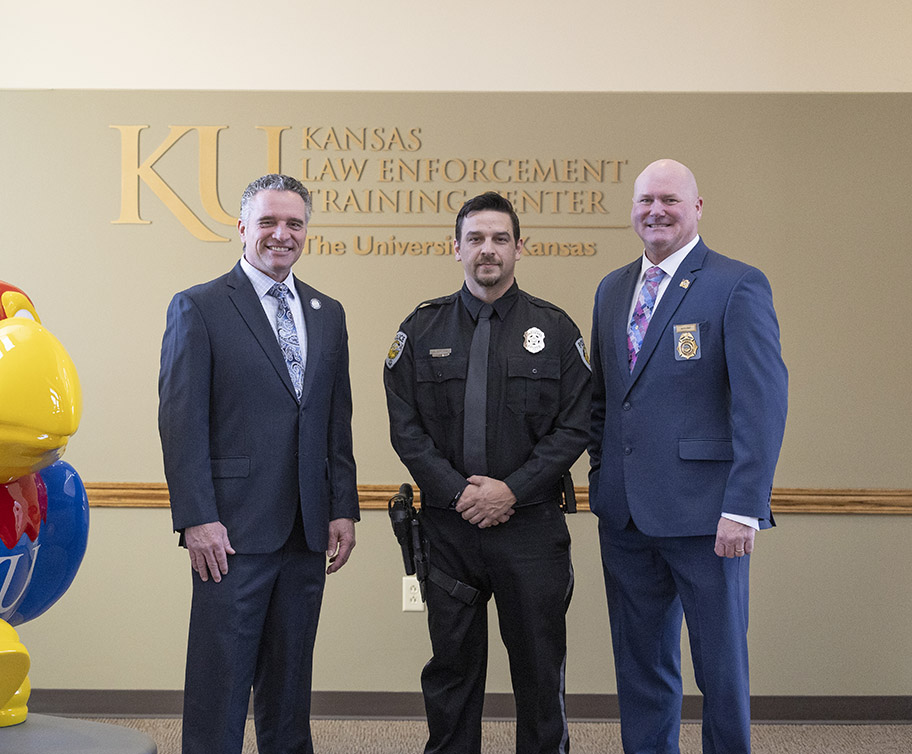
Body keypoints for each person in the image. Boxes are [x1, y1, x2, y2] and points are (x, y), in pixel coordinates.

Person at [588, 159, 787, 754]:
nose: (656, 210)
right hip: (625, 517)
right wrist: (601, 479)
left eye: (670, 200)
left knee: (721, 672)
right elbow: (604, 398)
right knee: (641, 668)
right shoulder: (612, 287)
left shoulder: (736, 283)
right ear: (632, 210)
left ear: (697, 208)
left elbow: (762, 402)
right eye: (646, 199)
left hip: (709, 518)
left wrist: (745, 507)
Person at [158, 173, 359, 754]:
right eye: (268, 222)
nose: (281, 234)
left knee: (291, 686)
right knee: (220, 686)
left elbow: (333, 420)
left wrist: (342, 507)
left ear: (306, 232)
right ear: (242, 227)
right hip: (230, 532)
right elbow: (181, 421)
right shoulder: (198, 306)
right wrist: (197, 518)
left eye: (294, 223)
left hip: (306, 528)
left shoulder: (328, 312)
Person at [384, 191, 591, 754]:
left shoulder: (554, 328)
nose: (488, 250)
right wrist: (458, 494)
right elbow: (405, 427)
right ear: (455, 249)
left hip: (530, 529)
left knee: (540, 675)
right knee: (451, 674)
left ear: (520, 248)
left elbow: (576, 427)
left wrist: (511, 491)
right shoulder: (421, 330)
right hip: (449, 532)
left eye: (500, 238)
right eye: (475, 238)